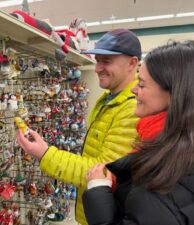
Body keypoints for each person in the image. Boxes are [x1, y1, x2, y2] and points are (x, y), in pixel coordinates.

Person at [83, 40, 194, 225]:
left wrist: (98, 191)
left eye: (141, 84)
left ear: (174, 94)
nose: (133, 89)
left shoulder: (163, 180)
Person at [17, 28, 141, 225]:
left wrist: (46, 153)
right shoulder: (109, 99)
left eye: (106, 61)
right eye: (97, 60)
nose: (97, 68)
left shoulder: (132, 108)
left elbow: (104, 173)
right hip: (97, 211)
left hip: (109, 215)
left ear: (132, 63)